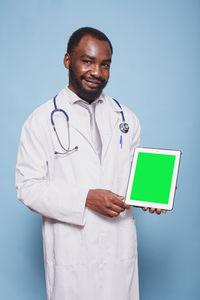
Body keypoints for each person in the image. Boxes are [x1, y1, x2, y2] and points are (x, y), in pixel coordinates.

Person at [15, 27, 165, 300]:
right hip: (71, 251)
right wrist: (85, 198)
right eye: (88, 61)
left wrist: (155, 192)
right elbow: (27, 187)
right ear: (67, 60)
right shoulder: (40, 121)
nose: (97, 72)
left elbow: (135, 177)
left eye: (105, 64)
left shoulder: (127, 118)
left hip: (119, 251)